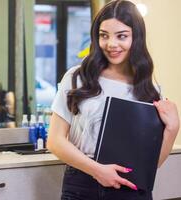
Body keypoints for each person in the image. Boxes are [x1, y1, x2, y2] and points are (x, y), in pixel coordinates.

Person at [47, 0, 180, 199]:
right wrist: (97, 170)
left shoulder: (148, 89)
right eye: (104, 35)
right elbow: (55, 141)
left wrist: (173, 128)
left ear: (136, 38)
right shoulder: (77, 77)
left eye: (122, 36)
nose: (111, 44)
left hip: (131, 187)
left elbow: (151, 165)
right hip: (82, 185)